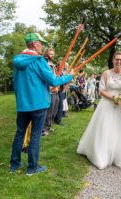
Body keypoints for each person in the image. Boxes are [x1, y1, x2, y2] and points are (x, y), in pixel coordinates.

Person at [10, 33, 75, 176]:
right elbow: (54, 81)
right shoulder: (38, 60)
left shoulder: (17, 60)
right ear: (33, 44)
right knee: (35, 135)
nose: (42, 46)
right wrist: (70, 75)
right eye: (41, 43)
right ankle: (32, 167)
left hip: (22, 104)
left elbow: (17, 83)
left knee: (20, 133)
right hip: (38, 104)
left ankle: (14, 164)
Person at [77, 52, 121, 170]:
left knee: (118, 131)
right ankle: (101, 156)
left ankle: (116, 155)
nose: (118, 62)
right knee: (104, 128)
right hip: (106, 105)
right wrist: (113, 98)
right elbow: (101, 90)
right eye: (116, 59)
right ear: (113, 60)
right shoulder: (106, 73)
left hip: (119, 106)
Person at [42, 48, 59, 135]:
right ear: (46, 54)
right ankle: (43, 129)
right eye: (51, 54)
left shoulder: (52, 64)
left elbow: (55, 76)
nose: (52, 55)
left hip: (55, 90)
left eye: (53, 54)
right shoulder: (45, 64)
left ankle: (48, 126)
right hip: (49, 90)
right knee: (49, 110)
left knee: (54, 110)